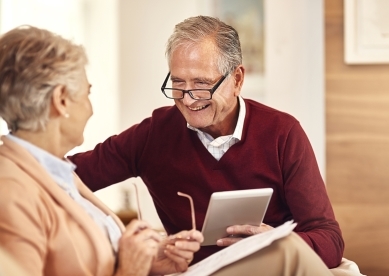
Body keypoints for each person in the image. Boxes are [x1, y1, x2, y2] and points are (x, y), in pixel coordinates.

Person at [68, 15, 344, 269]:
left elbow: (330, 241)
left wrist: (275, 242)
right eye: (178, 83)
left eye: (201, 84)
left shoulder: (282, 133)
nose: (188, 99)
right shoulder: (154, 135)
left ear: (237, 79)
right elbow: (67, 176)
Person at [0, 25, 203, 276]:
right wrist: (129, 271)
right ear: (61, 100)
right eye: (87, 94)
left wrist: (147, 263)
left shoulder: (57, 171)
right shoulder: (10, 191)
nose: (90, 109)